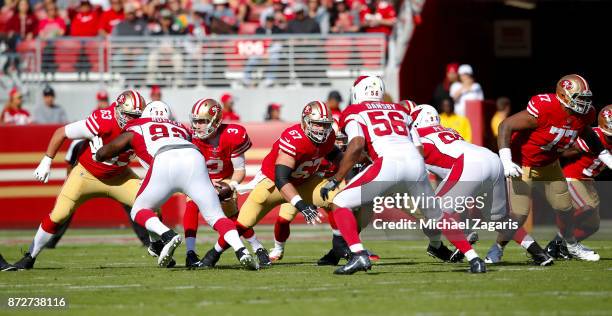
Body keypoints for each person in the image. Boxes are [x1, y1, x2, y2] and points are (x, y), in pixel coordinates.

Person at [319, 76, 485, 274]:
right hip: (415, 164)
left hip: (387, 163)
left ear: (357, 91)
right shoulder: (400, 110)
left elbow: (356, 145)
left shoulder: (354, 111)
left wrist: (336, 178)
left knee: (340, 202)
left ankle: (358, 255)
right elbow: (418, 147)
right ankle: (474, 259)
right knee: (437, 215)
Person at [95, 101, 258, 270]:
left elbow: (104, 153)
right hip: (193, 157)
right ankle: (242, 251)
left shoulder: (137, 125)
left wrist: (98, 153)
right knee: (217, 217)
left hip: (165, 160)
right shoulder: (180, 127)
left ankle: (168, 234)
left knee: (139, 209)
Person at [197, 101, 343, 267]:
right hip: (272, 183)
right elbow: (282, 178)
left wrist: (346, 171)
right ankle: (213, 254)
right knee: (242, 224)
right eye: (317, 124)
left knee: (339, 197)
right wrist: (302, 205)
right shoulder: (294, 138)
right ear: (305, 121)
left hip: (304, 182)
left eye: (325, 125)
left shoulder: (329, 136)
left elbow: (335, 154)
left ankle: (341, 246)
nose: (322, 130)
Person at [12, 90, 146, 270]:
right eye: (129, 116)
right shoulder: (103, 120)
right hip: (86, 174)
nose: (133, 120)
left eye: (137, 116)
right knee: (58, 215)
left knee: (152, 204)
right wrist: (47, 160)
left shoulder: (144, 126)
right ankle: (30, 256)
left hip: (119, 176)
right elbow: (61, 132)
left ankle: (157, 245)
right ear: (119, 110)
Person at [485, 74, 611, 264]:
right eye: (580, 98)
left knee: (565, 208)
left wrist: (605, 157)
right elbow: (505, 126)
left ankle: (571, 245)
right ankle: (497, 248)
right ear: (564, 95)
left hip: (549, 165)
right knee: (519, 215)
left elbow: (587, 133)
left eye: (586, 98)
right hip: (522, 164)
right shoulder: (545, 108)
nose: (584, 103)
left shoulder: (585, 114)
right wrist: (506, 160)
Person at [410, 104, 509, 264]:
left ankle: (455, 244)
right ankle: (536, 251)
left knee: (433, 213)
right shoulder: (451, 131)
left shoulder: (418, 136)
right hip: (480, 164)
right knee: (499, 218)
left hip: (463, 169)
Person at [182, 98, 268, 268]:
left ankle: (257, 247)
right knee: (191, 205)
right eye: (196, 121)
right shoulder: (189, 137)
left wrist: (231, 186)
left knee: (234, 217)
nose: (197, 125)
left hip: (225, 179)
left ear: (216, 121)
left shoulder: (232, 135)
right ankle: (190, 253)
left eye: (203, 121)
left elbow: (240, 170)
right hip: (201, 178)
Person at [546, 104, 612, 259]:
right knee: (586, 207)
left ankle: (562, 247)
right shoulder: (594, 135)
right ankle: (555, 243)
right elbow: (565, 151)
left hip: (588, 181)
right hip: (573, 177)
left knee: (592, 225)